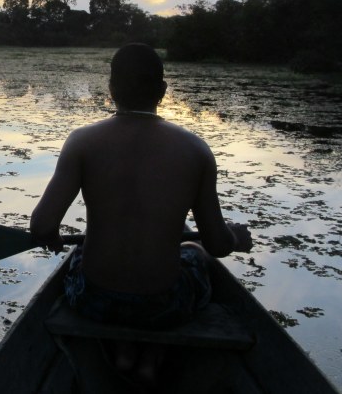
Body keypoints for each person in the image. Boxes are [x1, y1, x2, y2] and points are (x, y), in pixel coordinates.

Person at [29, 42, 252, 385]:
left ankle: (122, 348)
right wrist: (236, 236)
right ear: (162, 90)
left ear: (111, 88)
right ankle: (151, 355)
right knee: (193, 252)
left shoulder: (82, 142)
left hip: (94, 299)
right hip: (165, 304)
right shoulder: (196, 150)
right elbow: (218, 245)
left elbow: (42, 226)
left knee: (80, 254)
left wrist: (53, 237)